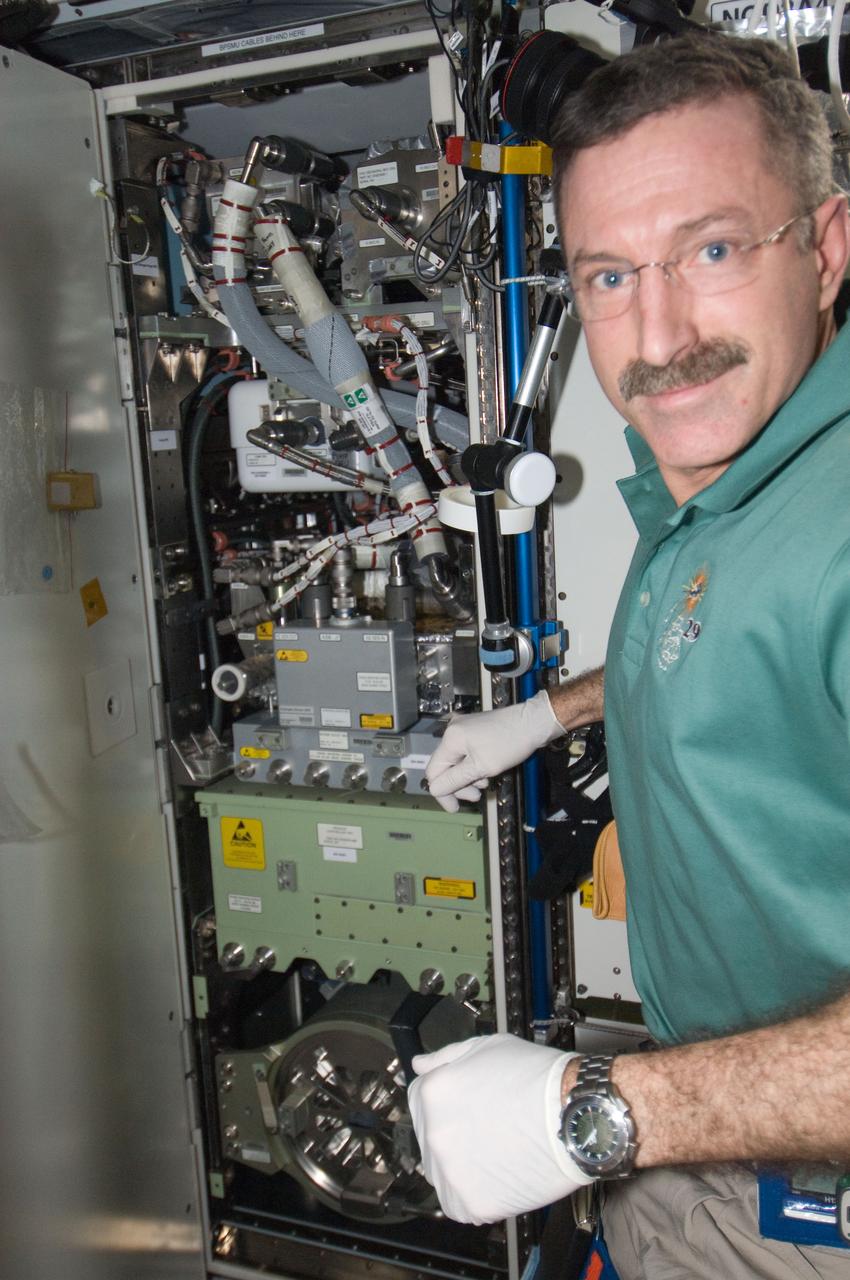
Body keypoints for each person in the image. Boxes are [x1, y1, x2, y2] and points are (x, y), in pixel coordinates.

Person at [407, 32, 850, 1280]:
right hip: (705, 1161)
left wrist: (602, 1113)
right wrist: (552, 712)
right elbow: (729, 647)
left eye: (711, 251)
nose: (659, 334)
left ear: (823, 250)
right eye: (609, 277)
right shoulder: (732, 478)